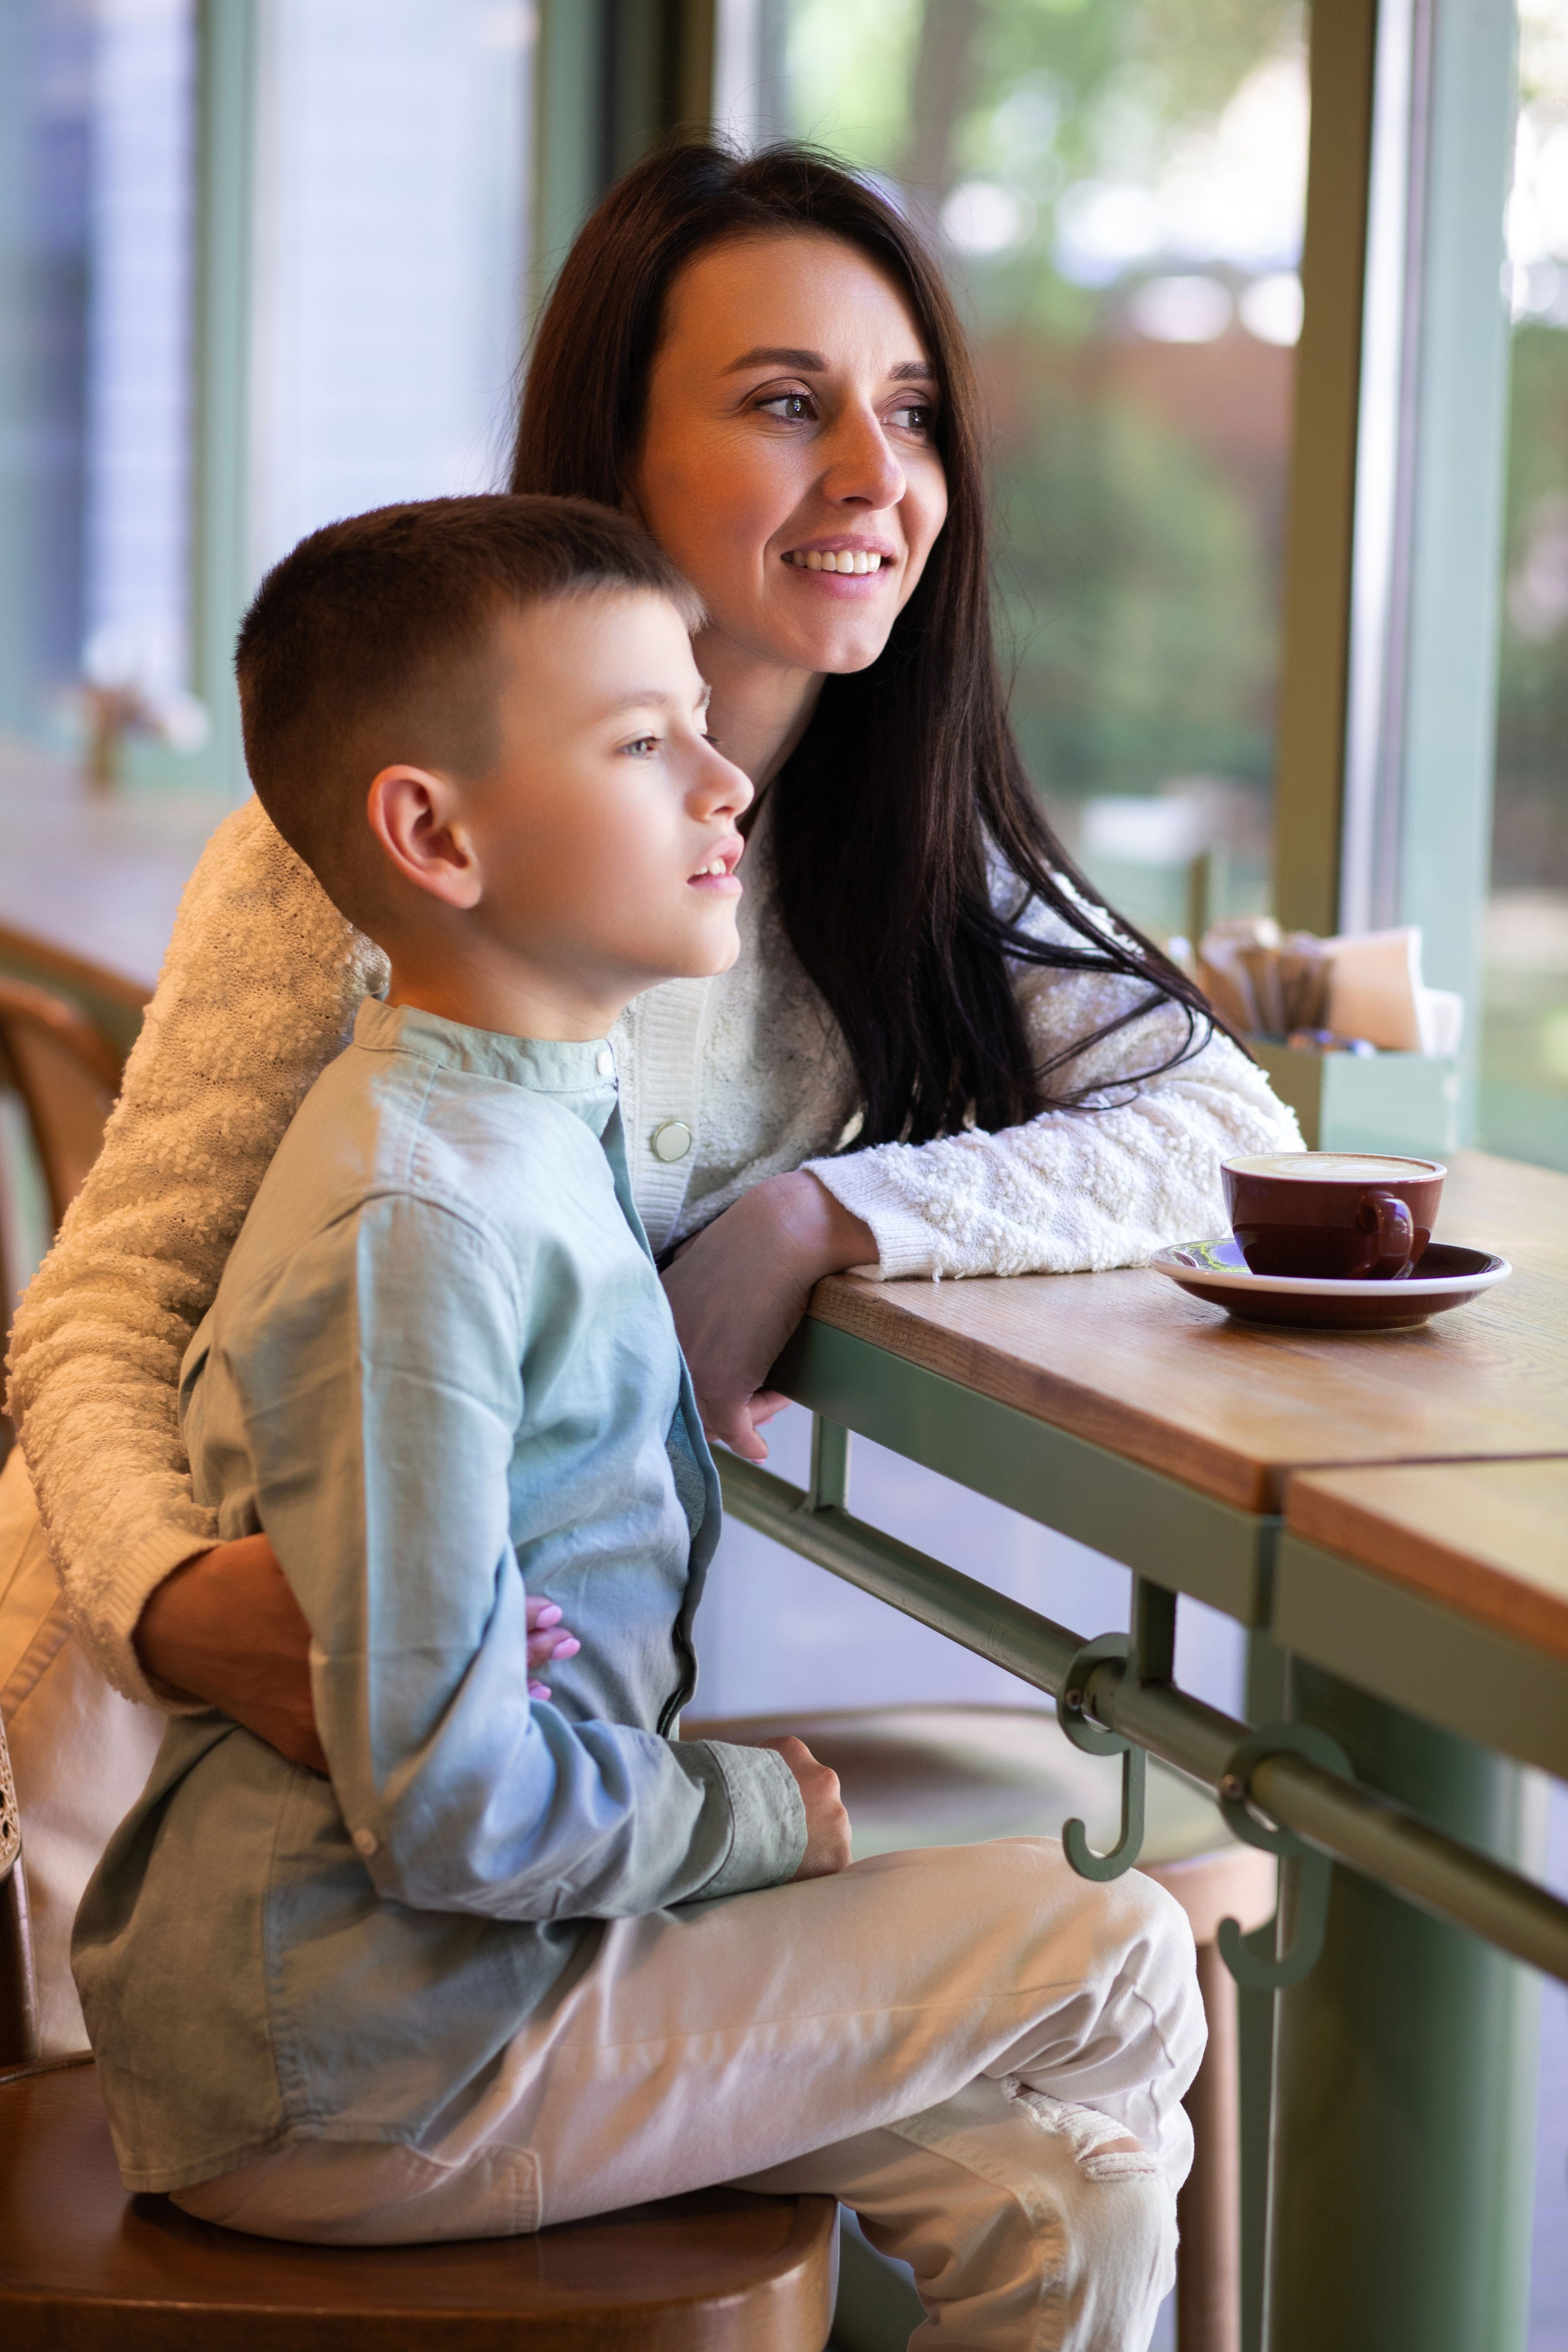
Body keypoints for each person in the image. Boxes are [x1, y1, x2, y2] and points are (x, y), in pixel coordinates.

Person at [2, 141, 1297, 2046]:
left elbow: (1225, 1132)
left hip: (508, 1782)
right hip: (165, 1777)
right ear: (614, 455)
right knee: (1069, 1979)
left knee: (1059, 1972)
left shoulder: (904, 855)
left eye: (914, 410)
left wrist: (815, 1217)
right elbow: (103, 1307)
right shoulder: (383, 851)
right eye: (790, 403)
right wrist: (173, 1598)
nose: (879, 475)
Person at [74, 494, 1204, 2351]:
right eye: (640, 742)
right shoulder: (422, 1224)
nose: (724, 784)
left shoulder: (522, 1123)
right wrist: (763, 1812)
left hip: (460, 1978)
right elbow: (459, 1813)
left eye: (702, 718)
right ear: (433, 834)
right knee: (1120, 1944)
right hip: (371, 2055)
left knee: (1064, 2195)